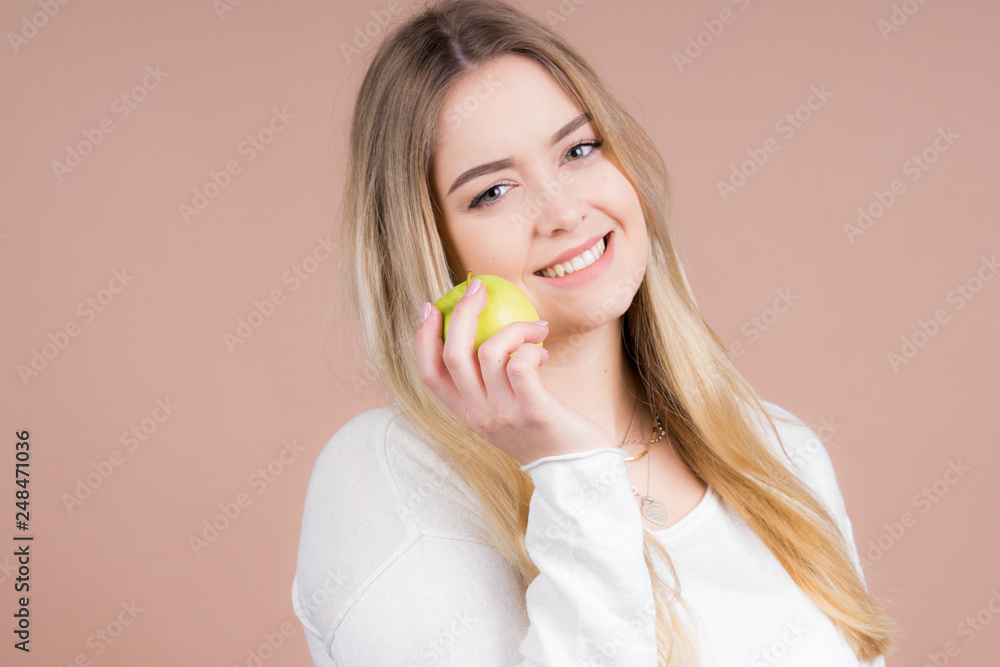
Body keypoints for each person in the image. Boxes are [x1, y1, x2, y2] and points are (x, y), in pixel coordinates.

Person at [291, 1, 901, 664]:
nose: (562, 210)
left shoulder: (781, 454)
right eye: (493, 191)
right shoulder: (386, 476)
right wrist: (569, 466)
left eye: (579, 150)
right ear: (432, 248)